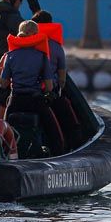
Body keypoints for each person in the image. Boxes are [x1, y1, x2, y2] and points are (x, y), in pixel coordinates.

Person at [0, 20, 65, 156]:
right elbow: (49, 87)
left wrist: (0, 73)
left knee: (3, 128)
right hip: (35, 101)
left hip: (15, 101)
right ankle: (58, 155)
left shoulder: (10, 56)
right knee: (55, 133)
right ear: (35, 35)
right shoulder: (41, 57)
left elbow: (3, 84)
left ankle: (2, 155)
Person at [30, 9, 84, 149]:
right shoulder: (56, 47)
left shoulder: (23, 47)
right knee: (69, 120)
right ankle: (72, 146)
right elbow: (62, 77)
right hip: (48, 94)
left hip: (20, 95)